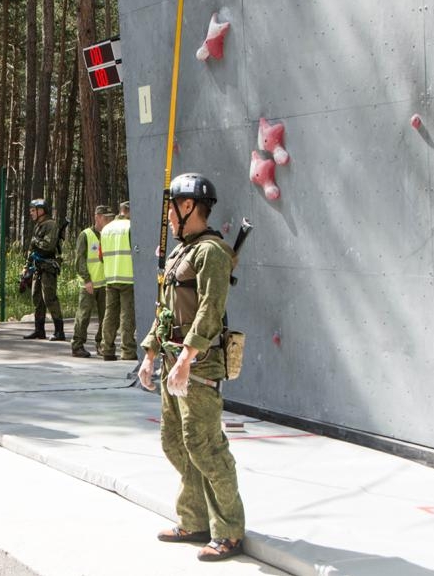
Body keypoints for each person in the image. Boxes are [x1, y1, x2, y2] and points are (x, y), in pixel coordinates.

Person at [137, 173, 245, 562]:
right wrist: (151, 352)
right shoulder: (182, 252)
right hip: (172, 360)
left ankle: (229, 531)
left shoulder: (211, 252)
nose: (167, 216)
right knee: (174, 441)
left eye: (171, 208)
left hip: (197, 364)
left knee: (205, 446)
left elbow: (210, 310)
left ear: (187, 206)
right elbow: (165, 310)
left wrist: (187, 357)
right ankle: (194, 519)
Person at [69, 205, 115, 358]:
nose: (109, 221)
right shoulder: (86, 235)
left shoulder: (108, 235)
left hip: (105, 283)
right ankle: (77, 345)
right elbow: (80, 260)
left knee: (106, 317)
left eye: (110, 218)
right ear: (97, 217)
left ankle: (101, 344)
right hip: (89, 284)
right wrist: (87, 279)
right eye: (106, 218)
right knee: (83, 315)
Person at [22, 198, 65, 341]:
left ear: (41, 210)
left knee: (49, 298)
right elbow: (32, 249)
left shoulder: (51, 225)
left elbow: (48, 245)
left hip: (48, 267)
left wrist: (35, 241)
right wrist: (26, 266)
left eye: (33, 210)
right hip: (37, 268)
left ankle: (59, 331)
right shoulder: (38, 226)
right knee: (37, 298)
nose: (31, 213)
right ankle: (39, 330)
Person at [100, 201, 137, 361]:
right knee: (127, 315)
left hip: (110, 277)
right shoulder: (130, 227)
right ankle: (127, 350)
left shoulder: (106, 229)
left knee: (110, 314)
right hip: (128, 277)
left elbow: (100, 255)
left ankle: (107, 349)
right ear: (129, 212)